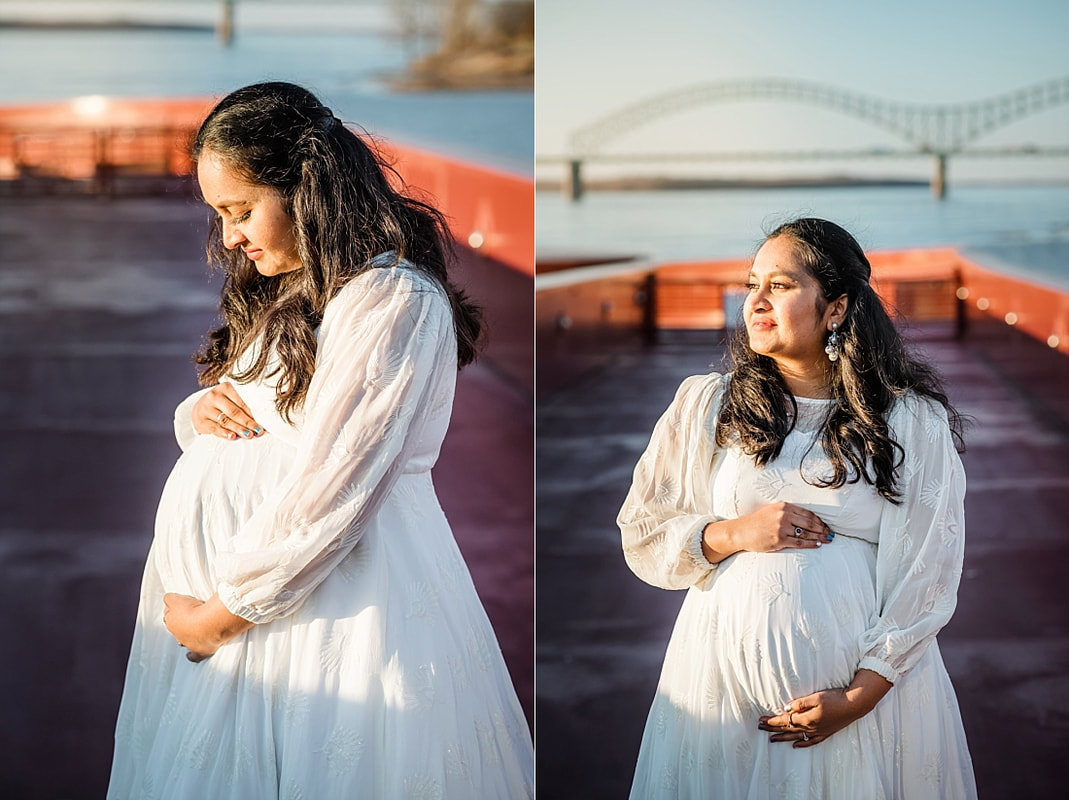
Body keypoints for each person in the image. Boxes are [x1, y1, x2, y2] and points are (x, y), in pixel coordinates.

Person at [107, 82, 533, 798]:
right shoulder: (292, 287)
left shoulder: (391, 300)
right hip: (255, 620)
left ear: (307, 188)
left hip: (330, 612)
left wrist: (218, 619)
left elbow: (338, 484)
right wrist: (201, 413)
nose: (231, 237)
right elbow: (263, 409)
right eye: (221, 216)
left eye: (241, 211)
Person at [618, 218, 976, 798]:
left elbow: (929, 571)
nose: (754, 300)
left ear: (835, 308)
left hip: (867, 710)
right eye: (752, 283)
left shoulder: (910, 421)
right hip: (718, 692)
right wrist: (732, 533)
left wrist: (859, 697)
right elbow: (643, 532)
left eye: (780, 286)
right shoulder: (709, 404)